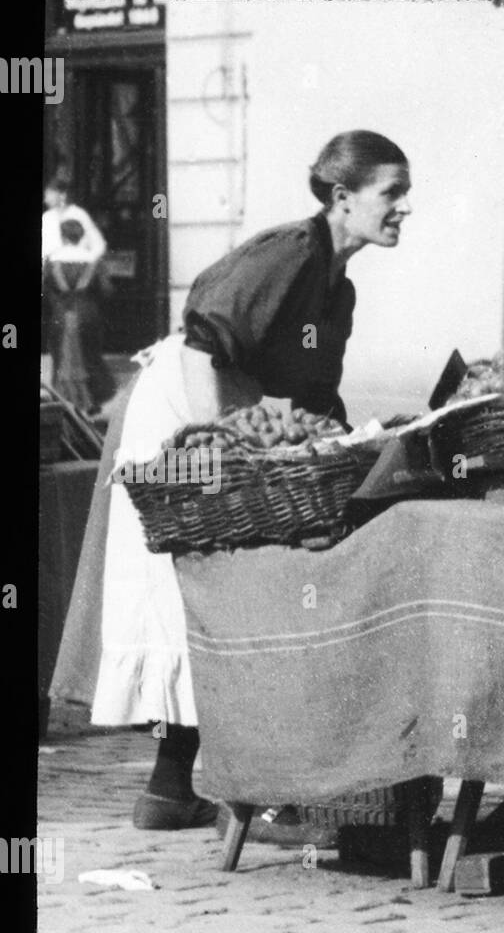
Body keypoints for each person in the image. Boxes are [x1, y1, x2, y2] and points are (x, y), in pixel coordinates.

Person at [55, 131, 413, 830]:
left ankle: (175, 788)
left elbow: (312, 396)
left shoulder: (338, 288)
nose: (404, 207)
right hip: (184, 411)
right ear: (343, 198)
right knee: (196, 587)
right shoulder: (291, 252)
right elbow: (202, 343)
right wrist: (224, 449)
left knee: (234, 585)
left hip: (228, 410)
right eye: (392, 193)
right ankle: (209, 786)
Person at [44, 217, 117, 416]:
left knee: (61, 359)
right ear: (81, 236)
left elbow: (45, 291)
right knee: (90, 357)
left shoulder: (52, 262)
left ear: (62, 236)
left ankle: (64, 402)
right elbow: (106, 291)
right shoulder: (93, 261)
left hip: (61, 315)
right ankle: (90, 402)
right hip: (87, 314)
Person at [42, 175, 107, 266]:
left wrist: (88, 261)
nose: (46, 200)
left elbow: (98, 244)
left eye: (50, 195)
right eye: (46, 196)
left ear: (62, 195)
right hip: (52, 269)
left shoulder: (79, 214)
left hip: (79, 267)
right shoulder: (46, 217)